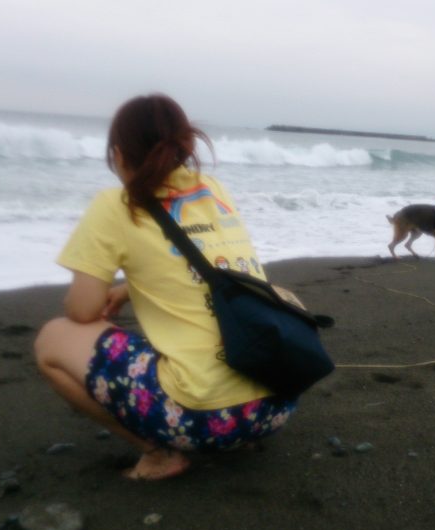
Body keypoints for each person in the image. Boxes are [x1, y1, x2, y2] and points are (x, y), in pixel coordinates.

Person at [34, 94, 297, 481]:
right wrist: (128, 288)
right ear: (186, 145)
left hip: (199, 420)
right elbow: (207, 267)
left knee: (52, 339)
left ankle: (158, 454)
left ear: (119, 155)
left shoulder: (117, 205)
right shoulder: (214, 190)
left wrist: (103, 292)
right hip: (276, 404)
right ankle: (238, 434)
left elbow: (83, 312)